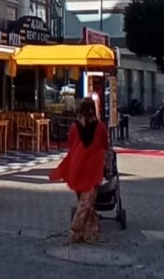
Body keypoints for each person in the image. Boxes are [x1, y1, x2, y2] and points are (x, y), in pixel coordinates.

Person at [50, 98, 109, 243]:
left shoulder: (74, 127)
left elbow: (70, 144)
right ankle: (76, 230)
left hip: (76, 166)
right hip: (93, 168)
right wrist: (106, 164)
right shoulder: (100, 127)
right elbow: (105, 146)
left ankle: (89, 233)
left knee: (84, 202)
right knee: (87, 203)